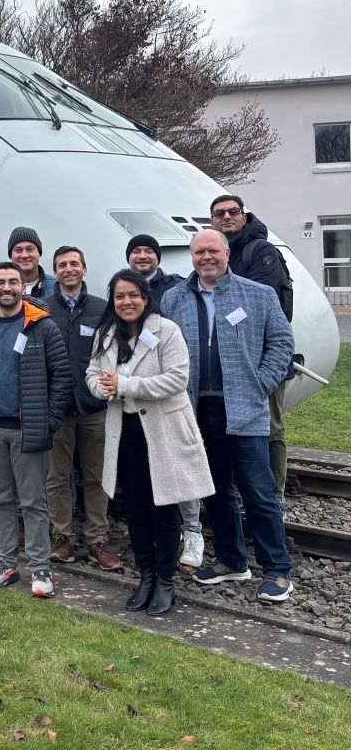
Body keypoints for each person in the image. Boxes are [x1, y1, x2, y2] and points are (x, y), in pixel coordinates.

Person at [161, 230, 296, 602]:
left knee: (259, 491)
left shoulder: (259, 294)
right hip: (196, 410)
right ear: (191, 257)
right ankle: (232, 561)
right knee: (215, 489)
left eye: (212, 251)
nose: (206, 257)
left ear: (226, 252)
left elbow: (282, 343)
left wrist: (260, 383)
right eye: (199, 251)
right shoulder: (174, 299)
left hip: (245, 409)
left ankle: (278, 570)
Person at [87, 269, 214, 616]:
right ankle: (145, 576)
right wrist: (102, 388)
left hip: (162, 432)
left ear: (145, 298)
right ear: (113, 301)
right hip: (125, 432)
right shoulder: (106, 334)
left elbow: (177, 378)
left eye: (133, 295)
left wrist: (126, 386)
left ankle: (166, 581)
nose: (126, 302)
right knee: (137, 509)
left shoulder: (166, 330)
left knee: (164, 508)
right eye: (119, 296)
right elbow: (93, 374)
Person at [0, 261, 70, 598]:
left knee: (34, 502)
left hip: (27, 430)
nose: (6, 288)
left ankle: (40, 569)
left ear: (24, 287)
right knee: (1, 500)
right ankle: (6, 564)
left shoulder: (42, 326)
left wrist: (48, 422)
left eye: (12, 282)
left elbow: (61, 378)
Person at [125, 232, 202, 568]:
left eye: (148, 250)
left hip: (169, 394)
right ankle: (154, 539)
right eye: (136, 251)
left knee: (180, 464)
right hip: (138, 399)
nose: (142, 256)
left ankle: (193, 531)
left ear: (158, 256)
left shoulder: (176, 290)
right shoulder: (122, 288)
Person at [210, 194, 294, 503]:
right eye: (220, 213)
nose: (227, 217)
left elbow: (258, 303)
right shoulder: (219, 254)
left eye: (234, 211)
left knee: (269, 427)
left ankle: (275, 498)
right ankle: (244, 495)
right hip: (231, 360)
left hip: (263, 360)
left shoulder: (261, 252)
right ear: (212, 221)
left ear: (245, 217)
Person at [43, 246, 119, 571]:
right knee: (56, 477)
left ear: (84, 270)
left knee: (98, 477)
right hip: (57, 410)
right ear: (55, 271)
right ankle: (63, 539)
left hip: (94, 408)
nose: (69, 269)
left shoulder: (102, 310)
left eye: (74, 264)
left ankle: (97, 541)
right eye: (62, 265)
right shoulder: (42, 309)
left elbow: (114, 355)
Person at [0, 226, 57, 313]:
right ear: (11, 256)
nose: (24, 255)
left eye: (30, 249)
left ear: (39, 253)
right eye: (18, 250)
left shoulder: (56, 286)